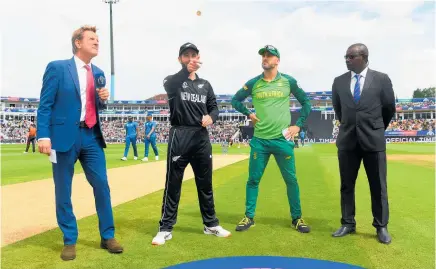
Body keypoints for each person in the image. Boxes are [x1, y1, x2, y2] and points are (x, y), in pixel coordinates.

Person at [36, 25, 123, 261]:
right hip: (64, 137)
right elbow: (45, 105)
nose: (97, 42)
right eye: (92, 39)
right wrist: (43, 135)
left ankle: (108, 235)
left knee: (102, 186)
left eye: (98, 39)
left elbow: (97, 106)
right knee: (64, 190)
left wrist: (103, 99)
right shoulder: (57, 68)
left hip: (92, 136)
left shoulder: (99, 72)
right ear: (78, 42)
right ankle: (69, 239)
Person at [152, 42, 231, 245]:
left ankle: (210, 224)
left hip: (201, 138)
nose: (190, 58)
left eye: (193, 55)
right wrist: (185, 71)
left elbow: (215, 108)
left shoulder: (205, 84)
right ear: (180, 59)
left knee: (205, 183)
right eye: (186, 55)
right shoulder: (173, 81)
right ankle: (165, 228)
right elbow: (171, 84)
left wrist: (211, 118)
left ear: (198, 57)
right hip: (180, 134)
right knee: (173, 184)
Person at [231, 45, 312, 233]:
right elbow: (235, 100)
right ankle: (248, 217)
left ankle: (297, 218)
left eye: (269, 56)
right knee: (253, 179)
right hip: (260, 141)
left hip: (283, 140)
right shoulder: (253, 83)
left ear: (277, 61)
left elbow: (306, 103)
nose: (265, 58)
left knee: (291, 180)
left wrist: (297, 125)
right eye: (263, 55)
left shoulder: (288, 81)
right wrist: (248, 113)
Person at [331, 43, 395, 244]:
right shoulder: (339, 81)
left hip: (373, 140)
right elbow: (338, 110)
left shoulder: (381, 79)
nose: (347, 60)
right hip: (347, 140)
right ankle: (348, 223)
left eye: (351, 57)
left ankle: (381, 226)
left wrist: (375, 129)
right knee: (346, 185)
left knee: (378, 185)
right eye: (346, 57)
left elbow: (389, 108)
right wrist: (352, 126)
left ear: (364, 57)